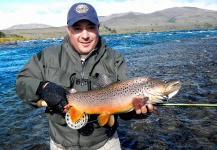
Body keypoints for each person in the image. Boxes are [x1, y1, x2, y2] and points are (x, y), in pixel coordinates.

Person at [16, 2, 154, 150]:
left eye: (90, 28)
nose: (85, 35)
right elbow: (22, 82)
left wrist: (137, 112)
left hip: (106, 143)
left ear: (98, 28)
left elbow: (124, 110)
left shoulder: (114, 59)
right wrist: (42, 87)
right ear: (68, 30)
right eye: (77, 29)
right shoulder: (47, 57)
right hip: (60, 144)